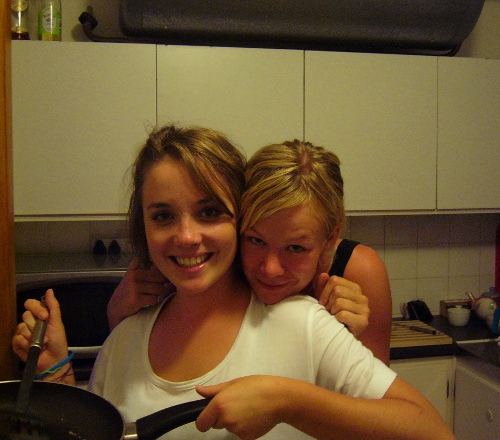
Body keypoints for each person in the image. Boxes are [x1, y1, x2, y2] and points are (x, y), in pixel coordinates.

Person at [13, 125, 453, 439]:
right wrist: (57, 377)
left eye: (209, 212)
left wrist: (287, 400)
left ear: (238, 217)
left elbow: (430, 431)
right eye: (163, 215)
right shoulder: (124, 341)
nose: (187, 237)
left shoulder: (302, 323)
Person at [107, 141, 391, 364]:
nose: (270, 269)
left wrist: (352, 342)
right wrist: (117, 313)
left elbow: (377, 410)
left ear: (329, 237)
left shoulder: (358, 270)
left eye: (295, 248)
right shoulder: (211, 267)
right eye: (255, 240)